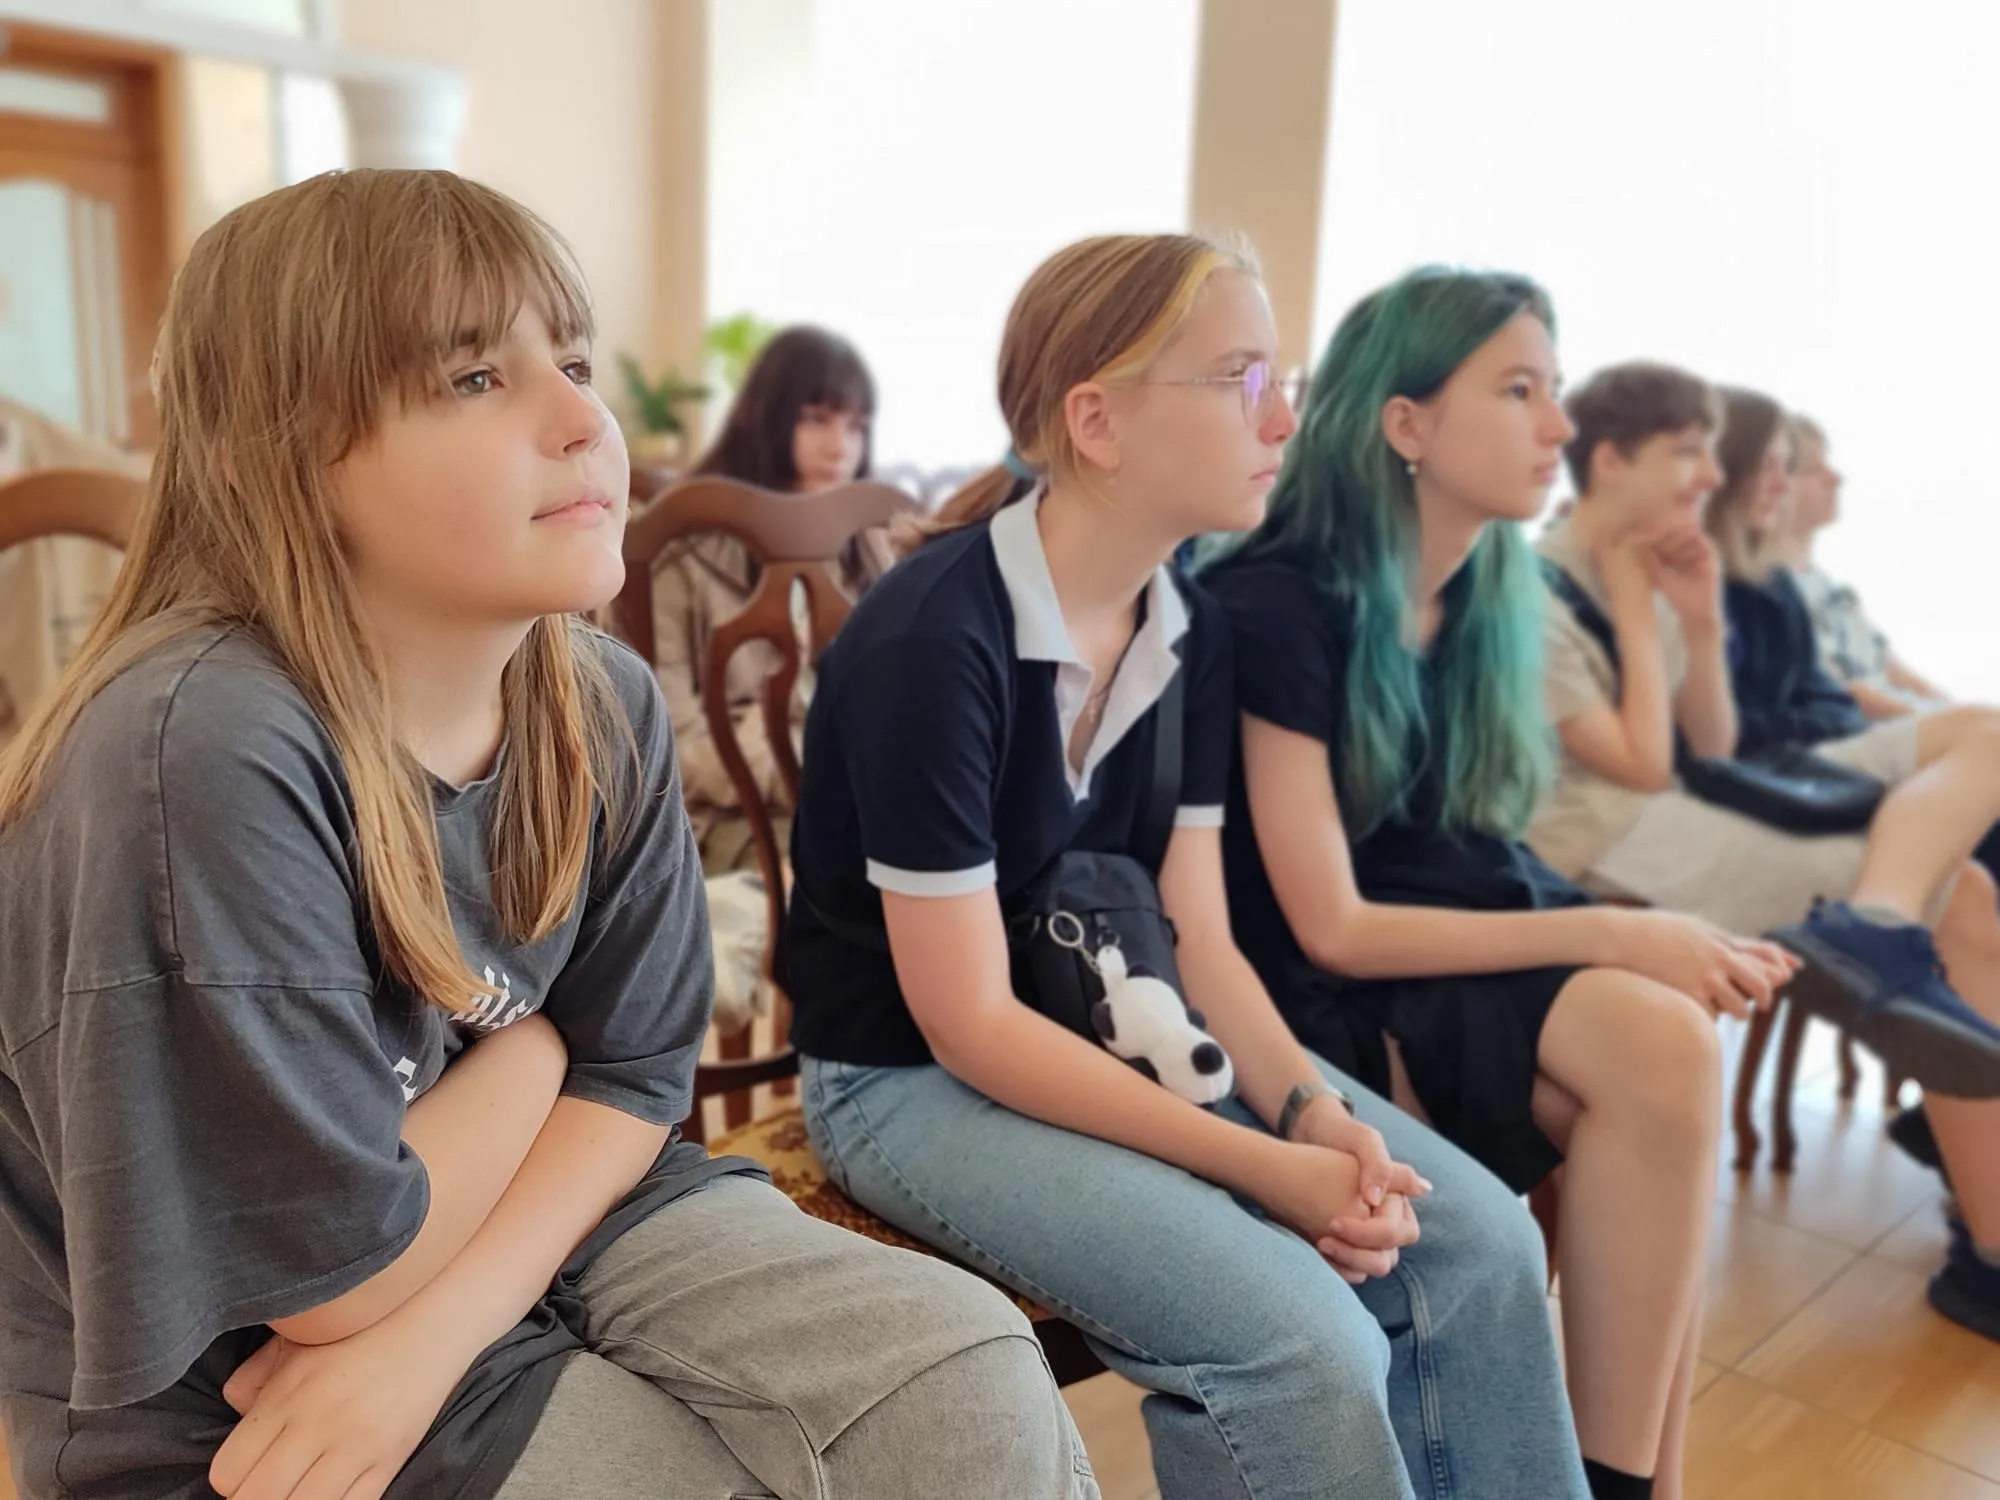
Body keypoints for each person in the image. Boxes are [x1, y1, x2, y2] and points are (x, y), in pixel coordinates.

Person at [0, 169, 1091, 1500]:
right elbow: (334, 1276)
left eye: (571, 362)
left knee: (968, 1370)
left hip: (544, 1216)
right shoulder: (201, 751)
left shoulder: (597, 697)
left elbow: (636, 1077)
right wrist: (540, 1048)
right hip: (225, 1386)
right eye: (474, 378)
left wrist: (437, 1332)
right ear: (264, 456)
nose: (584, 418)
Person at [785, 233, 1591, 1500]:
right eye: (1238, 378)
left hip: (1109, 1021)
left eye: (1280, 379)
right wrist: (1265, 1167)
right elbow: (967, 1022)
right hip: (902, 1078)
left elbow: (1198, 939)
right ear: (1095, 421)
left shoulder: (1191, 628)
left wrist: (1308, 1114)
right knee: (1301, 1342)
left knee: (1481, 1241)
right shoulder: (933, 642)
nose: (1282, 418)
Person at [1206, 270, 1789, 1500]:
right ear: (1404, 422)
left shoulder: (1480, 593)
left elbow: (1471, 850)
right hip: (1302, 987)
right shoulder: (1278, 602)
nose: (1557, 426)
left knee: (1670, 1053)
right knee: (1659, 1048)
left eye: (1554, 390)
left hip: (1446, 932)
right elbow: (1331, 925)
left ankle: (1631, 1487)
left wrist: (1632, 937)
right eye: (1519, 391)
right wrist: (1618, 934)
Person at [1531, 363, 2000, 1340]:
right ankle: (1991, 1252)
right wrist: (1638, 611)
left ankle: (1876, 927)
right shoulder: (1536, 590)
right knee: (1961, 899)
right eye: (1687, 453)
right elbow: (1642, 766)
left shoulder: (1653, 567)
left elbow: (1709, 744)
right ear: (1610, 461)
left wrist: (1698, 622)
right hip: (1604, 841)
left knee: (1981, 752)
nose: (1711, 476)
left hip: (1678, 809)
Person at [650, 325, 893, 872]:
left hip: (854, 802)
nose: (841, 447)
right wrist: (813, 769)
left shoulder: (869, 545)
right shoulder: (679, 557)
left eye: (856, 427)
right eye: (817, 419)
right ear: (767, 417)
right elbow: (666, 745)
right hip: (732, 822)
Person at [1769, 414, 1947, 718]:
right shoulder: (1769, 593)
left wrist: (1961, 714)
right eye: (1814, 469)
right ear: (1776, 484)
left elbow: (1895, 670)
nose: (1836, 478)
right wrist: (1951, 728)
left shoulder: (1829, 589)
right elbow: (1840, 691)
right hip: (1856, 729)